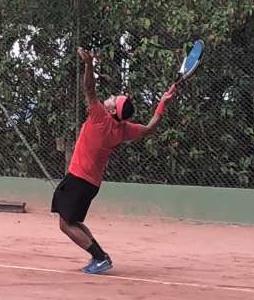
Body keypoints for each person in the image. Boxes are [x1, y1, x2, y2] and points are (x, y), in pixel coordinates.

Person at [51, 47, 177, 274]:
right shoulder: (123, 129)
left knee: (65, 224)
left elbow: (88, 88)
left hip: (79, 179)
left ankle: (100, 258)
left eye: (111, 100)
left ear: (111, 111)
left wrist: (88, 64)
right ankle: (99, 257)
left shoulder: (100, 119)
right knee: (74, 221)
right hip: (91, 184)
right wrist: (162, 103)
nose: (108, 98)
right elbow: (149, 128)